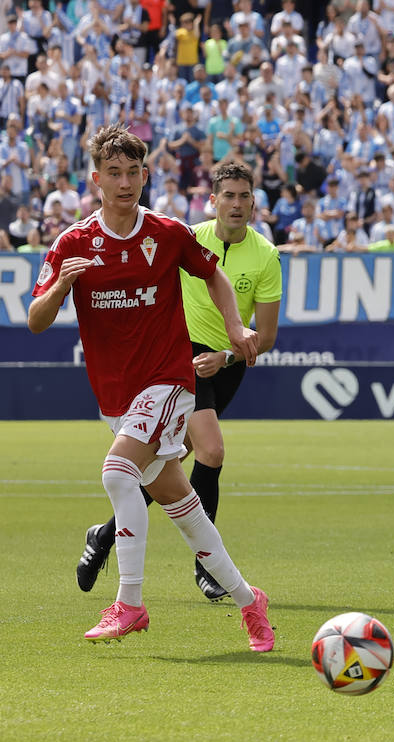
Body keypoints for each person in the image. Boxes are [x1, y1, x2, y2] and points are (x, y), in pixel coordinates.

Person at [27, 125, 274, 651]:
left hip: (167, 379)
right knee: (184, 509)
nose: (124, 182)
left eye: (133, 172)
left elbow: (214, 277)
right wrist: (63, 286)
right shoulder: (72, 243)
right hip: (117, 397)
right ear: (95, 179)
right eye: (113, 173)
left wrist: (234, 329)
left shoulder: (166, 233)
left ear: (146, 175)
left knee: (117, 473)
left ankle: (130, 603)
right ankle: (250, 602)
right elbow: (36, 319)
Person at [75, 160, 281, 602]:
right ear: (213, 200)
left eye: (245, 196)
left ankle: (105, 535)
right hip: (177, 358)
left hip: (223, 364)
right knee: (211, 449)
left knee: (164, 467)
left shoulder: (266, 255)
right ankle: (205, 572)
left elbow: (264, 337)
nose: (237, 204)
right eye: (228, 195)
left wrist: (229, 352)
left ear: (254, 202)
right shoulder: (186, 235)